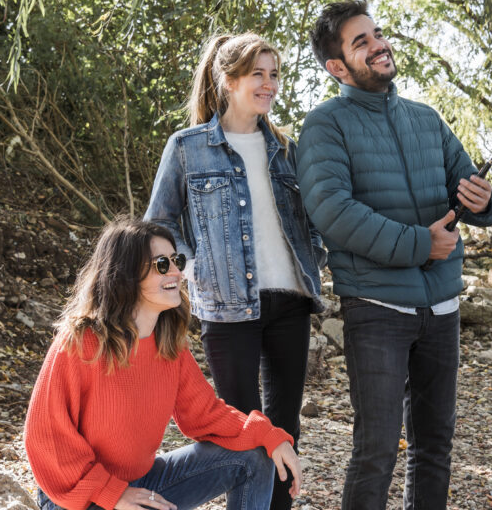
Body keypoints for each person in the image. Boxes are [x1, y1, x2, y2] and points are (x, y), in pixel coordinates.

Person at [296, 0, 492, 509]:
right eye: (361, 41)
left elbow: (470, 188)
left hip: (443, 307)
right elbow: (333, 212)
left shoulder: (426, 119)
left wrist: (485, 202)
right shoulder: (323, 126)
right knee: (377, 450)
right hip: (376, 308)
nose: (378, 45)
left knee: (435, 446)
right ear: (337, 66)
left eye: (378, 34)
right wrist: (420, 244)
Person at [144, 33, 326, 510]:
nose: (269, 84)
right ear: (229, 80)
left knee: (285, 428)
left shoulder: (287, 150)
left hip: (291, 302)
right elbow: (159, 225)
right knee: (243, 432)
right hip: (226, 308)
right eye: (257, 74)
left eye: (274, 74)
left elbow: (313, 220)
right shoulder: (187, 148)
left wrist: (316, 257)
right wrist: (193, 266)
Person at [24, 218, 302, 510]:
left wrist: (269, 435)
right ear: (126, 274)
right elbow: (45, 438)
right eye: (161, 264)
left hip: (141, 483)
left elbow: (205, 414)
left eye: (176, 261)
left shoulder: (169, 345)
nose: (177, 272)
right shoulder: (82, 341)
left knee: (255, 457)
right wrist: (111, 493)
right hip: (78, 496)